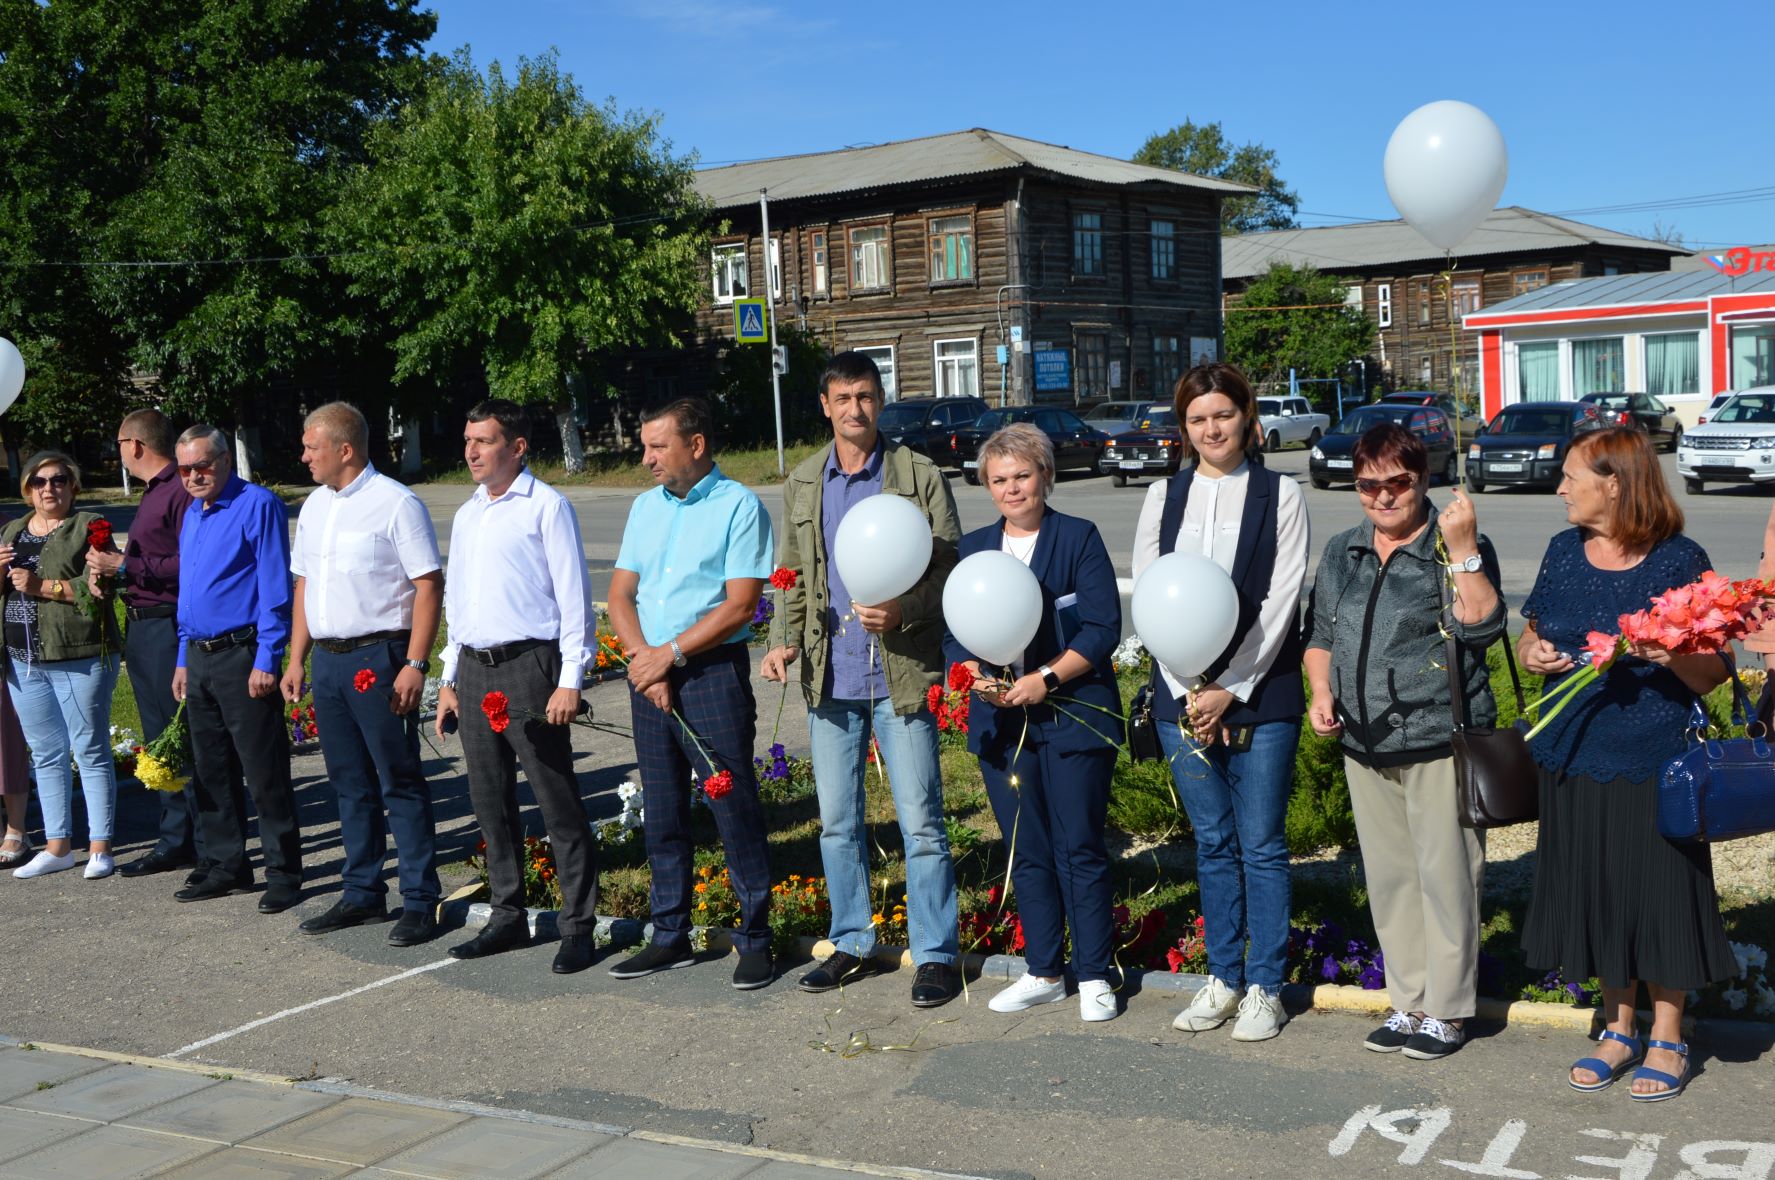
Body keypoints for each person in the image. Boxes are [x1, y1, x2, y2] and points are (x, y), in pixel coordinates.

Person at [1518, 426, 1734, 1101]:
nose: (1558, 488)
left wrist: (1669, 655)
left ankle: (1668, 1032)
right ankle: (1617, 1027)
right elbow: (1533, 632)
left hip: (1654, 759)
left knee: (1660, 896)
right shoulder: (1561, 551)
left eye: (1570, 477)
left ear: (1613, 483)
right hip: (1575, 756)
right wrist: (1534, 655)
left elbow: (1716, 671)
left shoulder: (1678, 560)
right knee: (1600, 892)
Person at [761, 351, 963, 1008]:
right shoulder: (802, 483)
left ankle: (935, 953)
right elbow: (788, 576)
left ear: (881, 400)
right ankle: (850, 942)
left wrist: (905, 609)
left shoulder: (917, 476)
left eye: (866, 396)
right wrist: (781, 642)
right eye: (842, 398)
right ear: (824, 405)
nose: (855, 409)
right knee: (837, 824)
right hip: (830, 676)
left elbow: (948, 571)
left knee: (922, 822)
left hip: (901, 675)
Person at [1303, 423, 1503, 1060]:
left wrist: (1464, 548)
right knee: (1391, 880)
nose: (1384, 497)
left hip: (1437, 737)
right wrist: (1321, 692)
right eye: (1369, 485)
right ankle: (1409, 1001)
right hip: (1364, 741)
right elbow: (1321, 636)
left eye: (1399, 483)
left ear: (1423, 479)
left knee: (1447, 879)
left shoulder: (1452, 547)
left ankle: (1448, 1010)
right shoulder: (1344, 550)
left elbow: (1483, 626)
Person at [1132, 362, 1308, 1042]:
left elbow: (1280, 600)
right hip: (1181, 697)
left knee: (1260, 846)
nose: (1212, 429)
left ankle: (1265, 986)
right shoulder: (1161, 496)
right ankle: (1222, 978)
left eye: (1223, 415)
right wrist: (1185, 689)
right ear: (1183, 428)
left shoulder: (1279, 494)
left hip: (1261, 694)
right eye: (1197, 419)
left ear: (1246, 417)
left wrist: (1226, 687)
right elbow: (1152, 597)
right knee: (1211, 844)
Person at [945, 424, 1125, 1022]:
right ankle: (1044, 969)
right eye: (999, 479)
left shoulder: (1078, 538)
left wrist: (1044, 679)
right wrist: (975, 674)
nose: (1012, 488)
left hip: (1072, 713)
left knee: (1079, 845)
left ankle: (1096, 972)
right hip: (1002, 723)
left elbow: (1102, 629)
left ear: (1045, 476)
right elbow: (954, 632)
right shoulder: (973, 549)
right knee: (1027, 849)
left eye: (1022, 475)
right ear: (986, 485)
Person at [607, 398, 777, 990]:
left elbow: (740, 605)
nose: (647, 458)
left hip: (708, 676)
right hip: (647, 673)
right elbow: (621, 596)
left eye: (658, 446)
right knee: (663, 811)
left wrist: (670, 656)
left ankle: (756, 938)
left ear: (696, 444)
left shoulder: (739, 507)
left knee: (732, 806)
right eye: (647, 446)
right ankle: (669, 935)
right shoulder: (643, 508)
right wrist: (645, 664)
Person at [435, 400, 599, 974]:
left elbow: (575, 599)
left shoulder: (547, 507)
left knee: (556, 802)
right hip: (476, 671)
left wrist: (570, 680)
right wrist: (449, 678)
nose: (472, 451)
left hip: (532, 666)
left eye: (484, 440)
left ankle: (578, 926)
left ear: (518, 446)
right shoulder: (468, 513)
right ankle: (507, 915)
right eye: (468, 439)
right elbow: (458, 603)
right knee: (490, 803)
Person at [281, 403, 443, 947]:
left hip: (380, 658)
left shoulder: (396, 504)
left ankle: (420, 898)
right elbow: (304, 585)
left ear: (344, 450)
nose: (303, 456)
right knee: (348, 783)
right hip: (327, 661)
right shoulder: (314, 507)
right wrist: (297, 658)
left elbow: (428, 586)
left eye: (311, 447)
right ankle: (363, 892)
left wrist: (416, 663)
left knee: (397, 779)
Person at [171, 425, 303, 911]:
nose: (193, 476)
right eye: (184, 469)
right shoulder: (193, 513)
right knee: (211, 769)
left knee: (263, 770)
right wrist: (184, 657)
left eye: (202, 465)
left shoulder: (256, 504)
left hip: (243, 656)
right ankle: (227, 864)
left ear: (225, 459)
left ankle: (284, 872)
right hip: (201, 657)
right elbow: (189, 593)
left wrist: (269, 658)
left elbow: (275, 588)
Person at [84, 409, 206, 878]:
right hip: (143, 623)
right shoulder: (157, 491)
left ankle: (198, 839)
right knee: (159, 735)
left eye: (118, 443)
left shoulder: (178, 490)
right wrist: (109, 578)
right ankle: (176, 837)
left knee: (181, 732)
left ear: (134, 444)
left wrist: (126, 566)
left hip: (167, 625)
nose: (118, 452)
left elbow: (189, 564)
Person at [2, 452, 122, 879]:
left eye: (58, 480)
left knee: (89, 749)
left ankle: (100, 847)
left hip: (78, 655)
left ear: (73, 486)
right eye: (38, 481)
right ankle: (57, 847)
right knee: (47, 755)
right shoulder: (14, 530)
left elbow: (103, 587)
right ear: (27, 488)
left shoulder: (90, 527)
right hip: (22, 661)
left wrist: (41, 587)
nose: (48, 488)